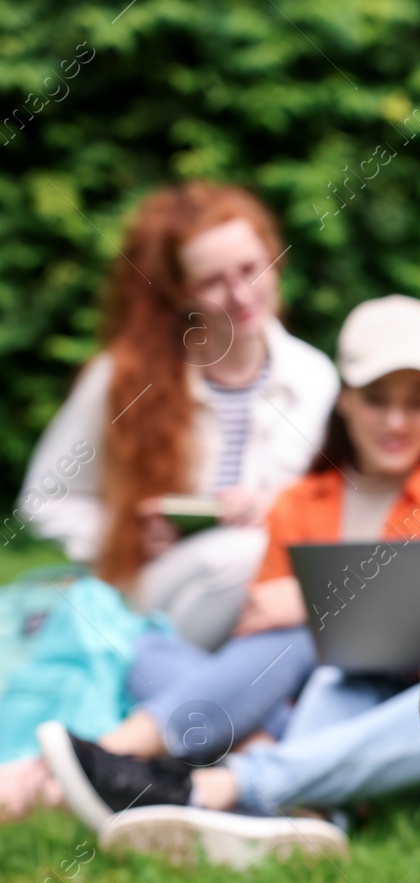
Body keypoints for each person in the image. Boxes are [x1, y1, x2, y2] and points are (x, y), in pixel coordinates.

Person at [32, 295, 420, 860]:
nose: (396, 422)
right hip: (290, 705)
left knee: (321, 660)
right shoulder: (298, 503)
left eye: (417, 403)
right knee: (152, 652)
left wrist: (319, 603)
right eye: (376, 400)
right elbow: (258, 645)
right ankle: (280, 778)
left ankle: (124, 756)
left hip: (401, 703)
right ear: (344, 399)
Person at [18, 182, 339, 650]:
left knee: (263, 562)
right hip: (155, 590)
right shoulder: (124, 378)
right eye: (213, 281)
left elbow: (339, 504)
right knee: (239, 554)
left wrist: (270, 508)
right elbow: (44, 498)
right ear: (181, 291)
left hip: (276, 595)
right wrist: (122, 536)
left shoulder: (315, 378)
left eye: (251, 269)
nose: (241, 294)